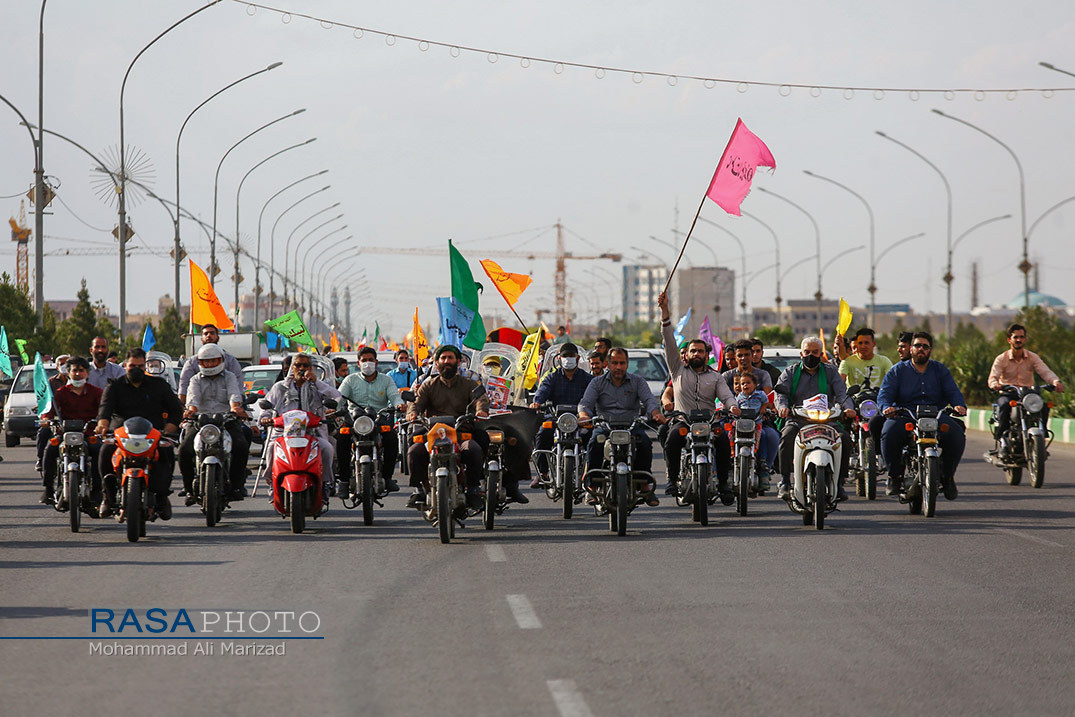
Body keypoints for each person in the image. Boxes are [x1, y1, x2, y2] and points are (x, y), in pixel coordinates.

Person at [405, 345, 511, 509]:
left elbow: (480, 398)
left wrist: (481, 410)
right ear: (437, 362)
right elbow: (416, 403)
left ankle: (473, 490)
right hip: (434, 432)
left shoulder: (468, 383)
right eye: (443, 358)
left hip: (461, 431)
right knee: (414, 451)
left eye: (450, 358)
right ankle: (418, 490)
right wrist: (412, 413)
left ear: (458, 361)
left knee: (474, 449)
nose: (447, 361)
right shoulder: (428, 385)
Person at [658, 291, 737, 500]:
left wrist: (733, 406)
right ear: (687, 354)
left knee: (722, 442)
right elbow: (668, 339)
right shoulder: (677, 369)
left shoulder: (716, 377)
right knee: (673, 438)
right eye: (693, 351)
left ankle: (723, 485)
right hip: (683, 420)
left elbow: (727, 396)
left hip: (709, 422)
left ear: (706, 355)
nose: (696, 354)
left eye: (700, 351)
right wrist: (665, 311)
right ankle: (672, 480)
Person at [96, 348, 184, 520]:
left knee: (166, 453)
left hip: (153, 434)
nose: (136, 369)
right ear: (125, 365)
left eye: (140, 366)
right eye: (132, 366)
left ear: (145, 366)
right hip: (121, 434)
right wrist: (102, 425)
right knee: (105, 451)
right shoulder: (114, 386)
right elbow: (104, 410)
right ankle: (107, 496)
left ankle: (162, 497)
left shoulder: (159, 385)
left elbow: (175, 409)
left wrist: (170, 428)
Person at [878, 331, 968, 499]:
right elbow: (884, 395)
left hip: (936, 414)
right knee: (888, 432)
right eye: (917, 345)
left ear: (930, 350)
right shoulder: (897, 371)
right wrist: (886, 407)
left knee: (957, 435)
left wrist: (959, 405)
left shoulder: (940, 370)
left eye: (925, 347)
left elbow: (953, 392)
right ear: (910, 349)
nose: (921, 349)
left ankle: (947, 477)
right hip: (906, 414)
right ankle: (894, 477)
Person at [578, 346, 666, 506]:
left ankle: (644, 484)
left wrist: (655, 413)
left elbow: (649, 400)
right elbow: (586, 403)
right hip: (605, 427)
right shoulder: (597, 383)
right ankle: (592, 486)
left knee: (645, 444)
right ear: (608, 364)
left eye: (622, 363)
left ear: (627, 364)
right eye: (615, 363)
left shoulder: (638, 381)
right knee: (593, 443)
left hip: (631, 427)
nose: (618, 367)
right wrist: (584, 415)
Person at [773, 336, 855, 501]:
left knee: (844, 439)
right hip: (799, 419)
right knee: (786, 437)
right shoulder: (790, 372)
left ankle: (839, 483)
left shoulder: (831, 371)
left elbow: (841, 393)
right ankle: (785, 481)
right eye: (807, 352)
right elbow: (780, 393)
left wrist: (848, 408)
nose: (811, 355)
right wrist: (782, 408)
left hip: (827, 420)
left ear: (821, 353)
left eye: (815, 352)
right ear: (801, 353)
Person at [261, 353, 343, 503]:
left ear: (311, 368)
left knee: (327, 448)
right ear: (291, 368)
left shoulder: (316, 387)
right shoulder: (280, 387)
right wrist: (265, 418)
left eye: (305, 366)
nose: (301, 369)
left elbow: (336, 396)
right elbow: (267, 407)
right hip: (284, 434)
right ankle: (273, 483)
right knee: (272, 447)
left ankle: (325, 484)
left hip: (313, 433)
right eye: (298, 365)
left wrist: (316, 382)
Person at [178, 343, 251, 504]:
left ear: (221, 361)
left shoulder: (230, 376)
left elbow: (234, 394)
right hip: (199, 421)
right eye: (206, 362)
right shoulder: (195, 379)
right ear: (200, 363)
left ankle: (237, 486)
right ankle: (189, 489)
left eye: (214, 361)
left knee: (241, 445)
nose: (210, 364)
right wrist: (190, 410)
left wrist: (235, 408)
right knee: (184, 450)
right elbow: (193, 399)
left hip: (226, 419)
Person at [986, 323, 1063, 459]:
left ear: (1025, 339)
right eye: (1015, 337)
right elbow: (993, 376)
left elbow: (1045, 371)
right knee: (1003, 405)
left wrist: (1055, 381)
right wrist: (995, 384)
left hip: (1028, 394)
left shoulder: (1032, 357)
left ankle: (1041, 440)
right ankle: (1003, 442)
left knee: (1044, 406)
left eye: (1021, 337)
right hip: (1009, 393)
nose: (1019, 340)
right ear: (1009, 340)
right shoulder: (1001, 358)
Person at [336, 346, 402, 494]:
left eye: (370, 360)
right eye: (364, 360)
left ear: (376, 362)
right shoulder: (350, 380)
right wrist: (333, 408)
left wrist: (399, 405)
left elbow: (394, 396)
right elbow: (339, 398)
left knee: (392, 438)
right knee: (341, 439)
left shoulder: (386, 380)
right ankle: (344, 481)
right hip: (355, 420)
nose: (367, 363)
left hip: (379, 419)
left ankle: (387, 478)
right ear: (358, 364)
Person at [39, 357, 103, 507]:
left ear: (87, 373)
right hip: (65, 433)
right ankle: (48, 489)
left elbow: (104, 411)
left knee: (99, 451)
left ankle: (98, 491)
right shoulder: (61, 393)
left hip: (88, 434)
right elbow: (49, 411)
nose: (78, 374)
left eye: (81, 370)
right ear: (68, 373)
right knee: (50, 449)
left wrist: (102, 422)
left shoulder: (97, 392)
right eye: (75, 370)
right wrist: (46, 419)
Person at [529, 342, 593, 488]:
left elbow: (594, 395)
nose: (568, 359)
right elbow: (542, 391)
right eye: (565, 356)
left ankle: (590, 473)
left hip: (581, 419)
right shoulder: (552, 378)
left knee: (593, 437)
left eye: (571, 356)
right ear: (559, 358)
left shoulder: (587, 379)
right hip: (556, 418)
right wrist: (537, 402)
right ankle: (542, 473)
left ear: (577, 358)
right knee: (543, 433)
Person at [838, 327, 894, 464]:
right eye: (860, 343)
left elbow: (892, 382)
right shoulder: (847, 362)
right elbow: (840, 384)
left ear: (873, 344)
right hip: (854, 401)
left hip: (877, 401)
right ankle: (845, 457)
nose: (863, 346)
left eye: (867, 343)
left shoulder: (884, 361)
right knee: (841, 424)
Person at [734, 370, 778, 487]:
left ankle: (763, 461)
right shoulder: (739, 397)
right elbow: (735, 408)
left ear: (755, 385)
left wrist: (764, 408)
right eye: (742, 384)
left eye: (748, 383)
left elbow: (766, 402)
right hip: (742, 425)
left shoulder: (760, 394)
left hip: (757, 423)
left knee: (762, 435)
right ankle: (733, 455)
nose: (745, 386)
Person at [178, 324, 243, 401]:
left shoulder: (230, 360)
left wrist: (236, 405)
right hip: (198, 410)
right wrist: (182, 407)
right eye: (206, 334)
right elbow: (184, 385)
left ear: (218, 338)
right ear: (201, 339)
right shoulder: (192, 362)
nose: (209, 336)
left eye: (212, 333)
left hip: (226, 409)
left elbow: (238, 387)